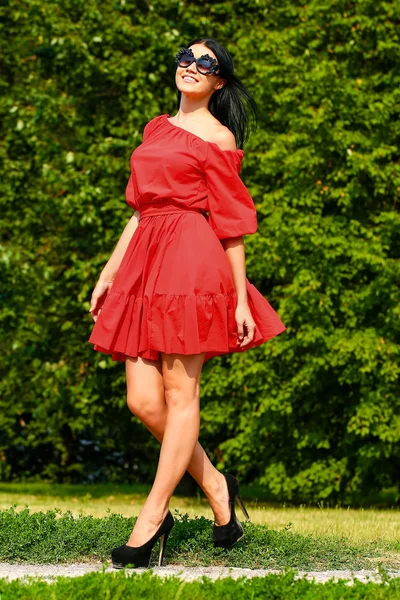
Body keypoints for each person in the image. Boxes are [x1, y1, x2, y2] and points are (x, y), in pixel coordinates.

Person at [88, 37, 286, 569]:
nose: (192, 67)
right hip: (142, 261)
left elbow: (232, 224)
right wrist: (109, 272)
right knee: (142, 401)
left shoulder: (219, 138)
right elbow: (139, 208)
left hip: (191, 261)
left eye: (206, 64)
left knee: (181, 395)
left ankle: (151, 520)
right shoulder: (156, 128)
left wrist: (241, 300)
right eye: (186, 57)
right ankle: (218, 489)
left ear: (219, 81)